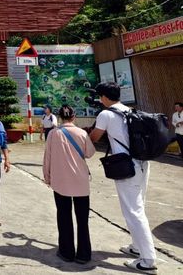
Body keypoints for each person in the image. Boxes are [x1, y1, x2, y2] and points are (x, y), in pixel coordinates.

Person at [90, 82, 157, 274]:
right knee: (138, 207)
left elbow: (94, 137)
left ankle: (147, 258)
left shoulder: (106, 114)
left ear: (103, 97)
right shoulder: (129, 111)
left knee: (133, 211)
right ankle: (137, 247)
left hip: (127, 166)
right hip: (142, 163)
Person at [43, 105, 95, 264]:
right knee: (82, 219)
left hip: (60, 182)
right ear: (74, 117)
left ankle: (66, 252)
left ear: (59, 117)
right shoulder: (82, 133)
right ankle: (84, 254)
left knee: (64, 216)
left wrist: (47, 177)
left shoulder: (53, 134)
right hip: (80, 182)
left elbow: (47, 158)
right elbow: (90, 153)